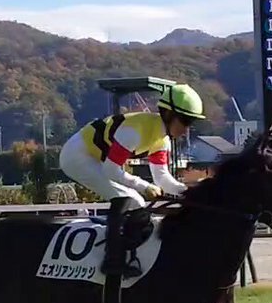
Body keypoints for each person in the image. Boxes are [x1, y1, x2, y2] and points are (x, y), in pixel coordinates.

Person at [59, 83, 206, 277]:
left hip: (95, 157)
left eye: (191, 122)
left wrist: (189, 191)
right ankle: (112, 261)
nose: (187, 129)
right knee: (129, 198)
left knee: (134, 200)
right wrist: (144, 186)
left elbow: (162, 177)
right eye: (185, 121)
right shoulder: (134, 132)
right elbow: (111, 170)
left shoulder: (162, 138)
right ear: (169, 115)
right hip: (76, 155)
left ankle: (125, 252)